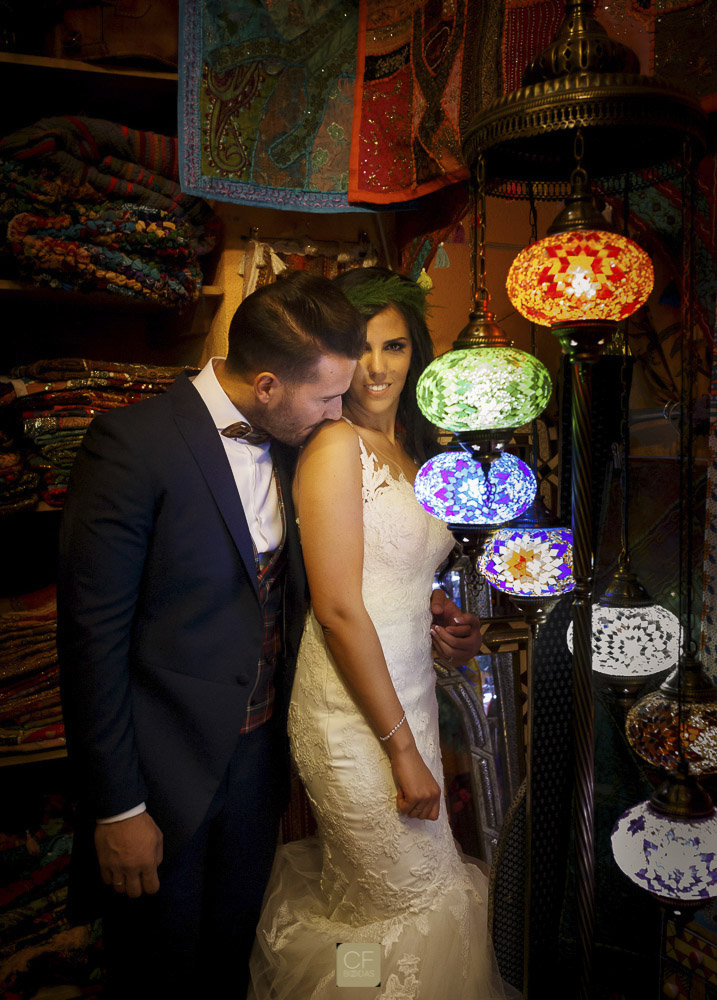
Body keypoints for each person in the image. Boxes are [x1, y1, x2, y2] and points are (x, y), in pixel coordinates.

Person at [56, 270, 481, 999]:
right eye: (325, 396)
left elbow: (334, 570)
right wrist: (116, 806)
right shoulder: (133, 444)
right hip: (164, 765)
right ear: (265, 386)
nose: (337, 409)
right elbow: (90, 639)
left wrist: (426, 605)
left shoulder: (296, 434)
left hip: (264, 749)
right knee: (160, 964)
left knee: (234, 951)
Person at [249, 267, 509, 999]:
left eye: (393, 346)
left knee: (401, 902)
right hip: (355, 721)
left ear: (414, 352)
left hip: (409, 697)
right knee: (400, 903)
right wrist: (401, 754)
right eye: (359, 348)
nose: (375, 367)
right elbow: (336, 607)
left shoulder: (414, 452)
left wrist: (440, 614)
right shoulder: (334, 446)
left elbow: (387, 572)